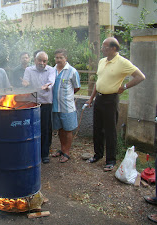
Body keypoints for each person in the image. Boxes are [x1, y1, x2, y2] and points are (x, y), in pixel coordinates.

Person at [85, 37, 145, 171]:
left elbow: (140, 76)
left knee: (110, 131)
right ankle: (97, 154)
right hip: (99, 99)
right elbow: (98, 81)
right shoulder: (102, 61)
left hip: (110, 100)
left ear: (114, 48)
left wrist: (124, 86)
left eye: (105, 47)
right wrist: (91, 99)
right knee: (97, 129)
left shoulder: (123, 62)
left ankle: (111, 160)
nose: (102, 49)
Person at [22, 51, 55, 164]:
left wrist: (47, 85)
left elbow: (51, 81)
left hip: (46, 103)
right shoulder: (29, 70)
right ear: (35, 60)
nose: (42, 63)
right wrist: (25, 83)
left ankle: (45, 154)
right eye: (40, 60)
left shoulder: (51, 70)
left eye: (44, 61)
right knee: (31, 128)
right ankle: (32, 152)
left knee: (45, 129)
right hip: (32, 104)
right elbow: (26, 81)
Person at [51, 49, 81, 163]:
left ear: (66, 58)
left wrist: (67, 96)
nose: (58, 60)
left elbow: (77, 87)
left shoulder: (72, 71)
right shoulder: (52, 70)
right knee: (60, 129)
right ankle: (62, 149)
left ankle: (66, 152)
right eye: (56, 57)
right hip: (55, 106)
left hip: (67, 107)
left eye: (61, 57)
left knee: (68, 130)